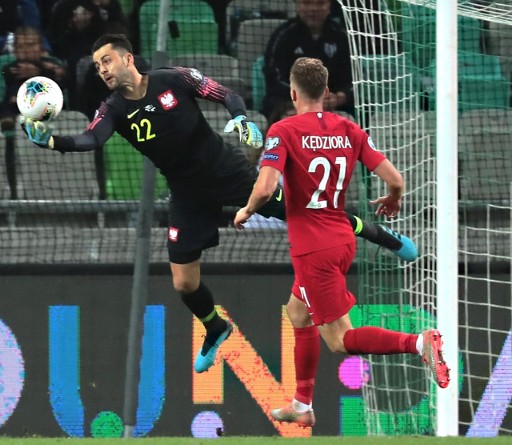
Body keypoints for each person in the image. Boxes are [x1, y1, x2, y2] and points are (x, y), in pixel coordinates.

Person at [20, 34, 417, 374]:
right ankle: (215, 328)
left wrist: (241, 118)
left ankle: (385, 237)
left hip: (227, 172)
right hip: (187, 193)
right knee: (184, 283)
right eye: (97, 65)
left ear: (126, 58)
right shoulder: (112, 109)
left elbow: (225, 94)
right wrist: (52, 141)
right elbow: (90, 140)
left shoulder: (173, 79)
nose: (102, 69)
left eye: (107, 60)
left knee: (311, 211)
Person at [234, 57, 449, 426]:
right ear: (327, 93)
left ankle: (419, 343)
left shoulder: (283, 130)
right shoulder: (348, 129)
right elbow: (395, 179)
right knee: (297, 311)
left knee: (340, 339)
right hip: (341, 236)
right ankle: (302, 406)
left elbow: (267, 186)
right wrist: (394, 199)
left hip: (313, 249)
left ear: (292, 92)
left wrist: (246, 210)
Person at [261, 0, 353, 121]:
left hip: (332, 105)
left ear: (329, 6)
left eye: (320, 3)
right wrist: (306, 98)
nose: (313, 9)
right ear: (298, 6)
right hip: (289, 102)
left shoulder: (342, 37)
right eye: (307, 3)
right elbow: (274, 77)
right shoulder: (283, 36)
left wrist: (340, 97)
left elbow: (355, 79)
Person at [0, 26, 66, 129]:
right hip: (16, 111)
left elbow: (64, 79)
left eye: (30, 45)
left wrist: (39, 72)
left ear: (41, 48)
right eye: (20, 46)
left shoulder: (52, 65)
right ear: (15, 50)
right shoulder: (10, 68)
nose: (26, 50)